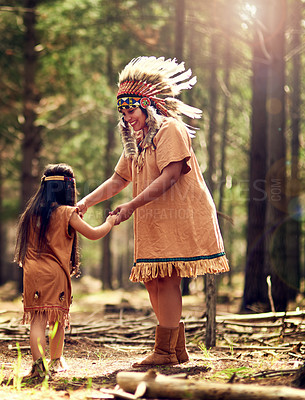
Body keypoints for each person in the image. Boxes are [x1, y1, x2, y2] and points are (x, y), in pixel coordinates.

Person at [77, 56, 230, 367]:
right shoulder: (137, 138)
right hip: (152, 218)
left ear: (147, 104)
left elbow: (171, 175)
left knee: (167, 279)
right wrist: (86, 203)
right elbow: (120, 178)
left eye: (130, 109)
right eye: (122, 111)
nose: (126, 116)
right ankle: (176, 349)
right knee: (152, 279)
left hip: (180, 214)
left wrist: (132, 205)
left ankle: (164, 352)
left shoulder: (169, 129)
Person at [14, 163, 116, 378]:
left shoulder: (31, 214)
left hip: (31, 273)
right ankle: (56, 360)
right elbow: (94, 233)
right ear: (69, 190)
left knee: (37, 320)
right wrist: (110, 221)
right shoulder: (67, 213)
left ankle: (38, 366)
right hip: (54, 274)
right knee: (57, 318)